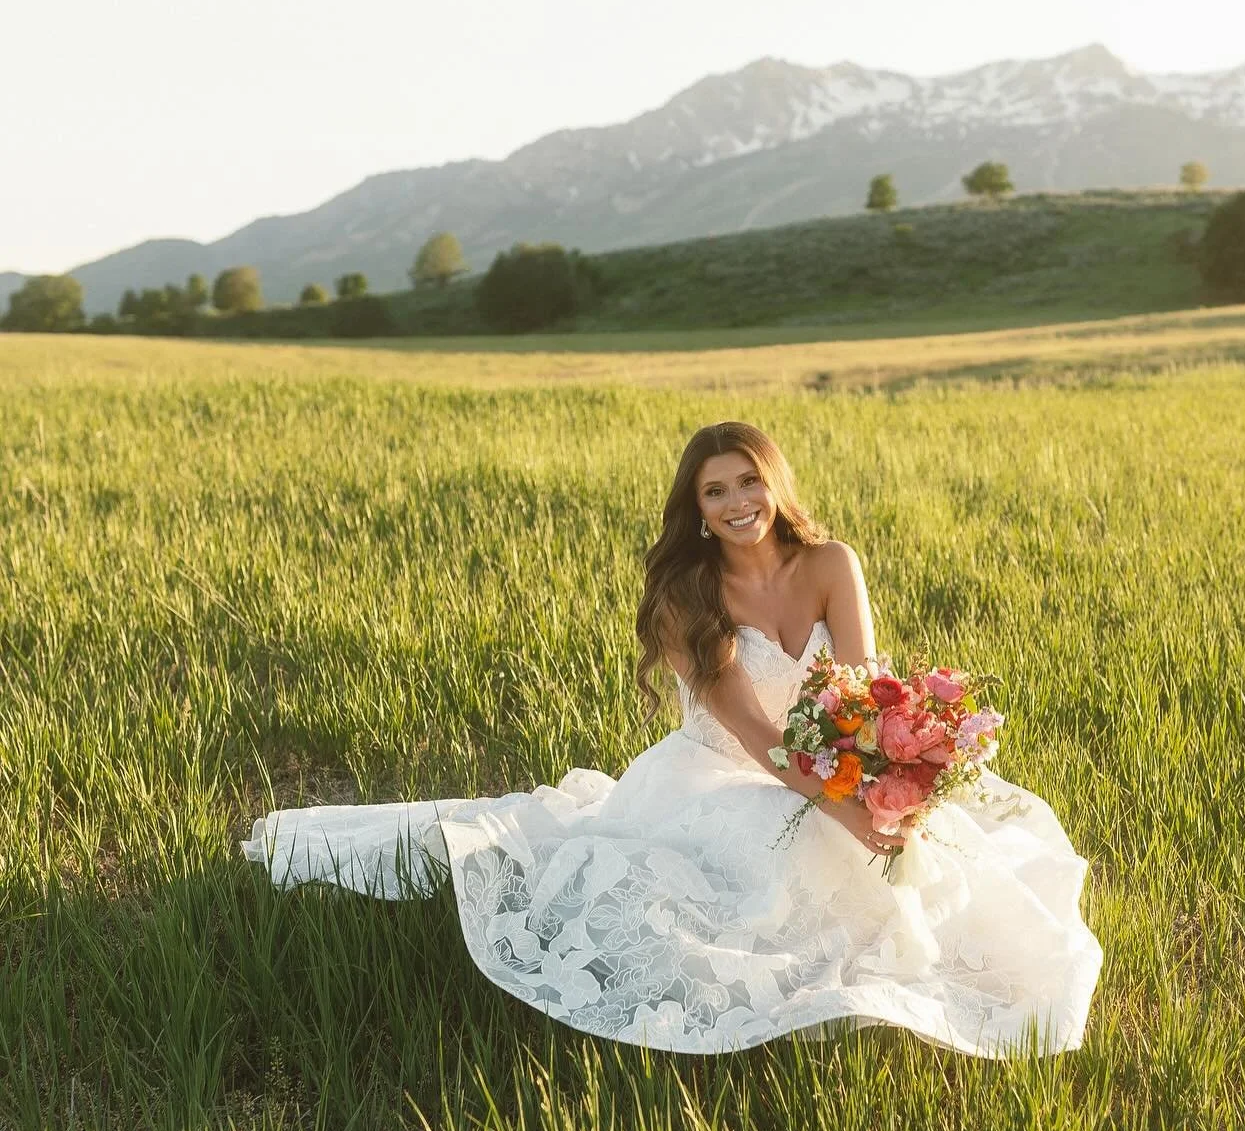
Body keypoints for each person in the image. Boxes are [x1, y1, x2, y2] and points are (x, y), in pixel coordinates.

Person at [242, 421, 1102, 1055]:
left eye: (748, 482)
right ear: (695, 510)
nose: (737, 504)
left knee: (936, 857)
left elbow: (861, 694)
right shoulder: (687, 597)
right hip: (720, 774)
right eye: (714, 492)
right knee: (793, 851)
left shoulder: (832, 564)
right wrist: (839, 806)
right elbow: (755, 731)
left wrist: (881, 783)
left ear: (775, 484)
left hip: (818, 761)